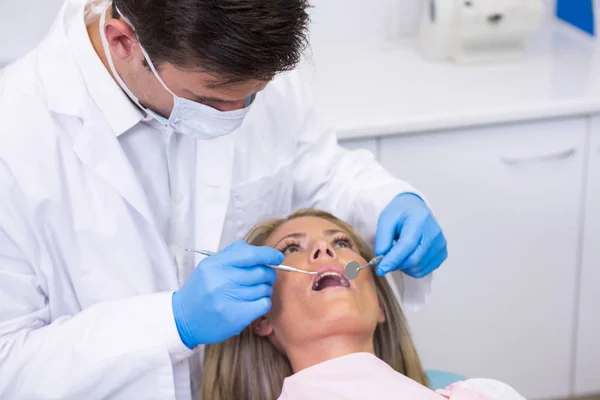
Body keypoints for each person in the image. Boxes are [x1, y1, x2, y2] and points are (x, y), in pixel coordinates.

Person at [0, 0, 447, 398]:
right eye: (211, 100)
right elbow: (8, 365)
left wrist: (387, 199)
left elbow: (317, 169)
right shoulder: (16, 139)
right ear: (123, 41)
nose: (239, 116)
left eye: (254, 94)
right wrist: (172, 322)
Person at [202, 209, 524, 400]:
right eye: (291, 249)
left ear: (380, 305)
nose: (324, 252)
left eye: (341, 243)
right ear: (261, 317)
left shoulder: (483, 395)